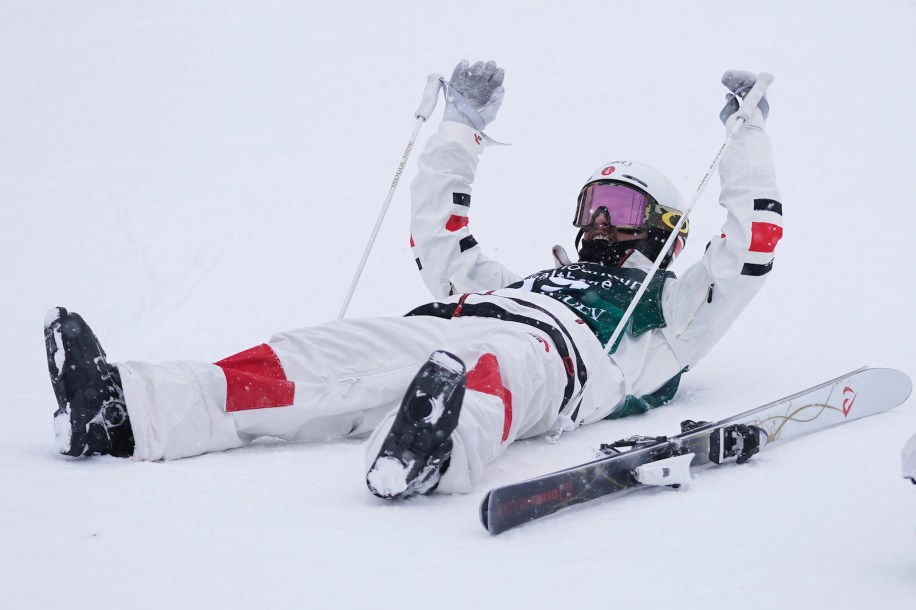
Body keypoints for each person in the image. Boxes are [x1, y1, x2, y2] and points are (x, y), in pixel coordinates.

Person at [44, 60, 782, 500]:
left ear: (665, 231)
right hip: (453, 320)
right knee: (313, 352)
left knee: (490, 370)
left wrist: (747, 138)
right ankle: (126, 411)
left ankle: (428, 452)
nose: (598, 222)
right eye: (592, 203)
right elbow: (441, 238)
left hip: (559, 359)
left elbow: (748, 251)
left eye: (622, 208)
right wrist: (458, 128)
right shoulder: (517, 279)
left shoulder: (670, 316)